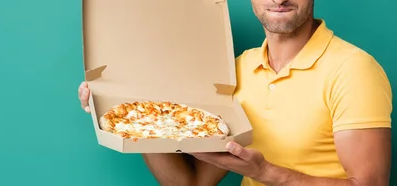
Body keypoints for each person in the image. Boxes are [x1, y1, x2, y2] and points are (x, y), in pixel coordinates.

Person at [77, 0, 393, 185]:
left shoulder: (353, 69)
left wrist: (268, 173)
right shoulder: (236, 72)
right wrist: (137, 120)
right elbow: (191, 184)